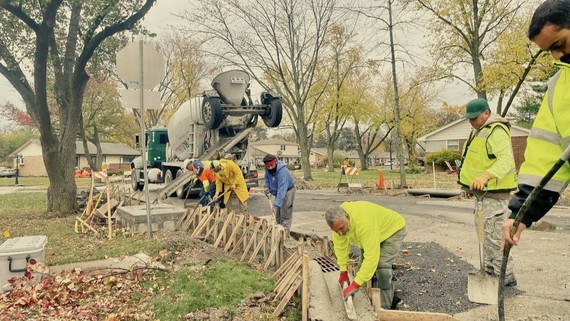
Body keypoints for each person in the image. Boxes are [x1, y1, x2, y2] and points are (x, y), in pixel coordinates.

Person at [502, 0, 570, 249]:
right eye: (550, 51)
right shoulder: (559, 89)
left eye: (559, 44)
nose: (557, 56)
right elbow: (546, 158)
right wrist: (520, 214)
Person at [458, 98, 518, 286]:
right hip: (483, 194)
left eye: (474, 118)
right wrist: (469, 186)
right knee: (484, 232)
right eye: (469, 119)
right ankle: (492, 270)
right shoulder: (479, 131)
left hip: (494, 193)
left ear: (486, 112)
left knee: (493, 235)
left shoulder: (496, 131)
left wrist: (485, 177)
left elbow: (506, 160)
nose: (472, 122)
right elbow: (476, 160)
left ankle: (504, 274)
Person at [325, 201, 406, 310]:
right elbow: (341, 249)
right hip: (373, 233)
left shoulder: (364, 223)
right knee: (361, 270)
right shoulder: (339, 224)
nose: (340, 233)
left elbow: (371, 259)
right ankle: (368, 300)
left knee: (382, 267)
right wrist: (343, 271)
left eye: (341, 228)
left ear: (347, 217)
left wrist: (354, 285)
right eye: (336, 231)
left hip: (392, 231)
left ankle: (385, 306)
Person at [263, 154, 295, 230]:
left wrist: (276, 205)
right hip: (278, 191)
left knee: (285, 213)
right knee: (277, 214)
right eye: (268, 166)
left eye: (271, 165)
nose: (270, 168)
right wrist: (267, 187)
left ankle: (285, 233)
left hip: (287, 191)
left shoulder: (282, 171)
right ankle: (277, 230)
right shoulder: (267, 168)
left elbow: (282, 190)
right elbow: (267, 178)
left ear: (275, 162)